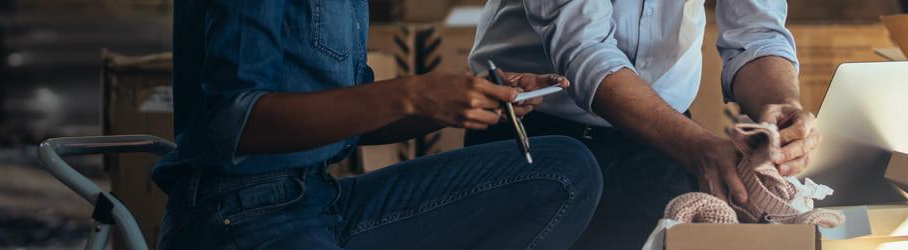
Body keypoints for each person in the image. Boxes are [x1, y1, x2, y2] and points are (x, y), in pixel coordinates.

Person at [155, 0, 605, 248]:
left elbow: (353, 117)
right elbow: (238, 122)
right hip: (238, 214)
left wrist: (458, 98)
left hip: (320, 198)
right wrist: (414, 93)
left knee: (564, 171)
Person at [466, 0, 820, 248]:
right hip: (532, 134)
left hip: (664, 141)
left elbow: (756, 33)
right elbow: (584, 50)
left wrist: (782, 105)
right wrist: (698, 148)